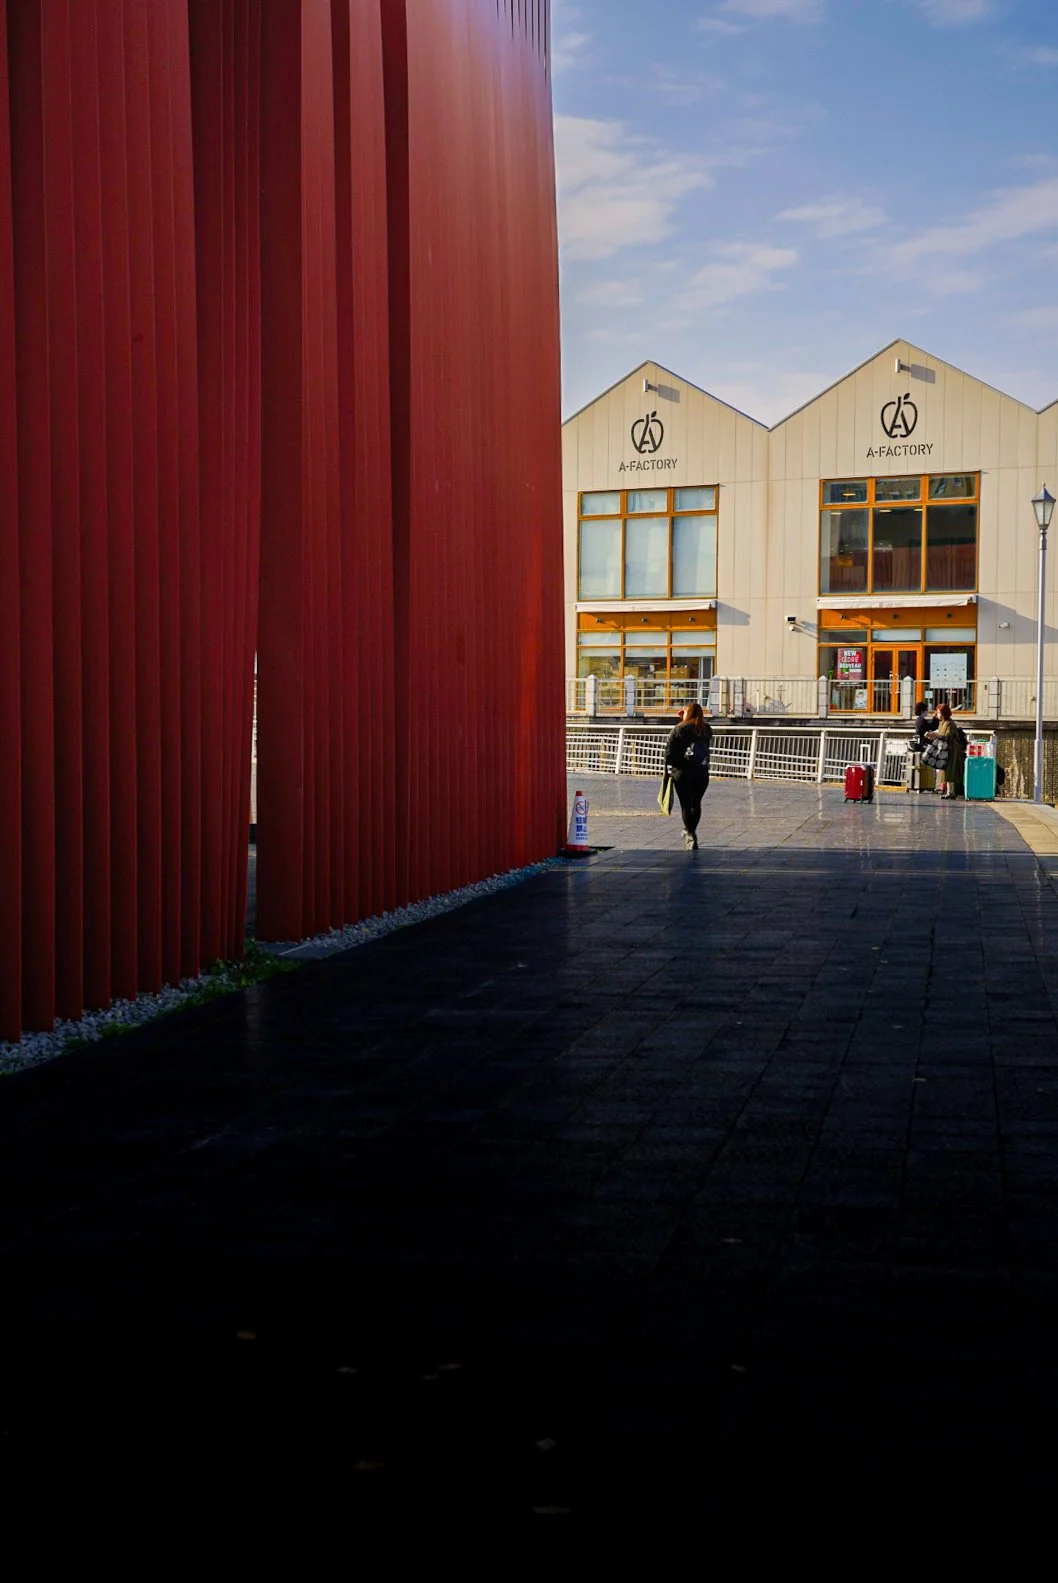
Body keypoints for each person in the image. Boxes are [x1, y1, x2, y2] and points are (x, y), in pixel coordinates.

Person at [665, 702, 712, 849]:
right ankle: (692, 832)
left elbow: (669, 753)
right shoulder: (707, 729)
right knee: (696, 803)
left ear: (687, 713)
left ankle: (690, 835)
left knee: (686, 804)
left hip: (682, 772)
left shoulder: (679, 728)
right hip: (701, 772)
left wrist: (669, 770)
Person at [926, 702, 965, 799]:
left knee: (950, 770)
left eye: (939, 712)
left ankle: (951, 792)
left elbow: (947, 736)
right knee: (945, 770)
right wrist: (932, 735)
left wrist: (935, 735)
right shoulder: (942, 723)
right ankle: (949, 791)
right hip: (945, 749)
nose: (937, 714)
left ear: (944, 713)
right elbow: (939, 733)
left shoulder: (950, 724)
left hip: (951, 749)